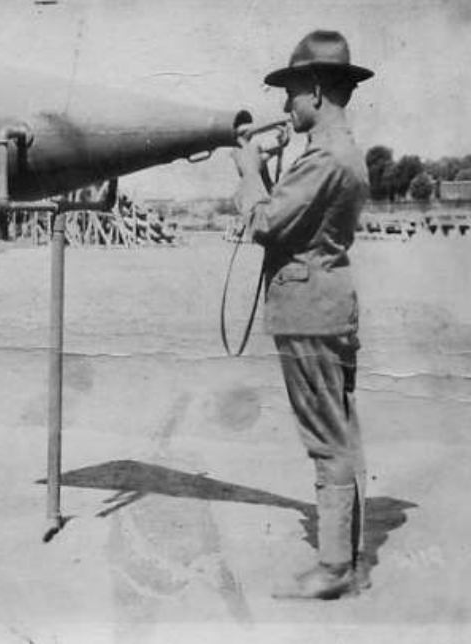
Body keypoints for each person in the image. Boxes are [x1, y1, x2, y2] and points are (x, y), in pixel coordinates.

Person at [231, 30, 374, 599]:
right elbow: (294, 223)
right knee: (340, 434)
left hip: (306, 311)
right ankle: (348, 557)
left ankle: (334, 569)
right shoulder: (342, 150)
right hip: (329, 303)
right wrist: (265, 175)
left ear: (314, 89)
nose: (285, 107)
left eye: (290, 94)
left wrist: (246, 170)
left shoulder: (324, 157)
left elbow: (267, 226)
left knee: (325, 439)